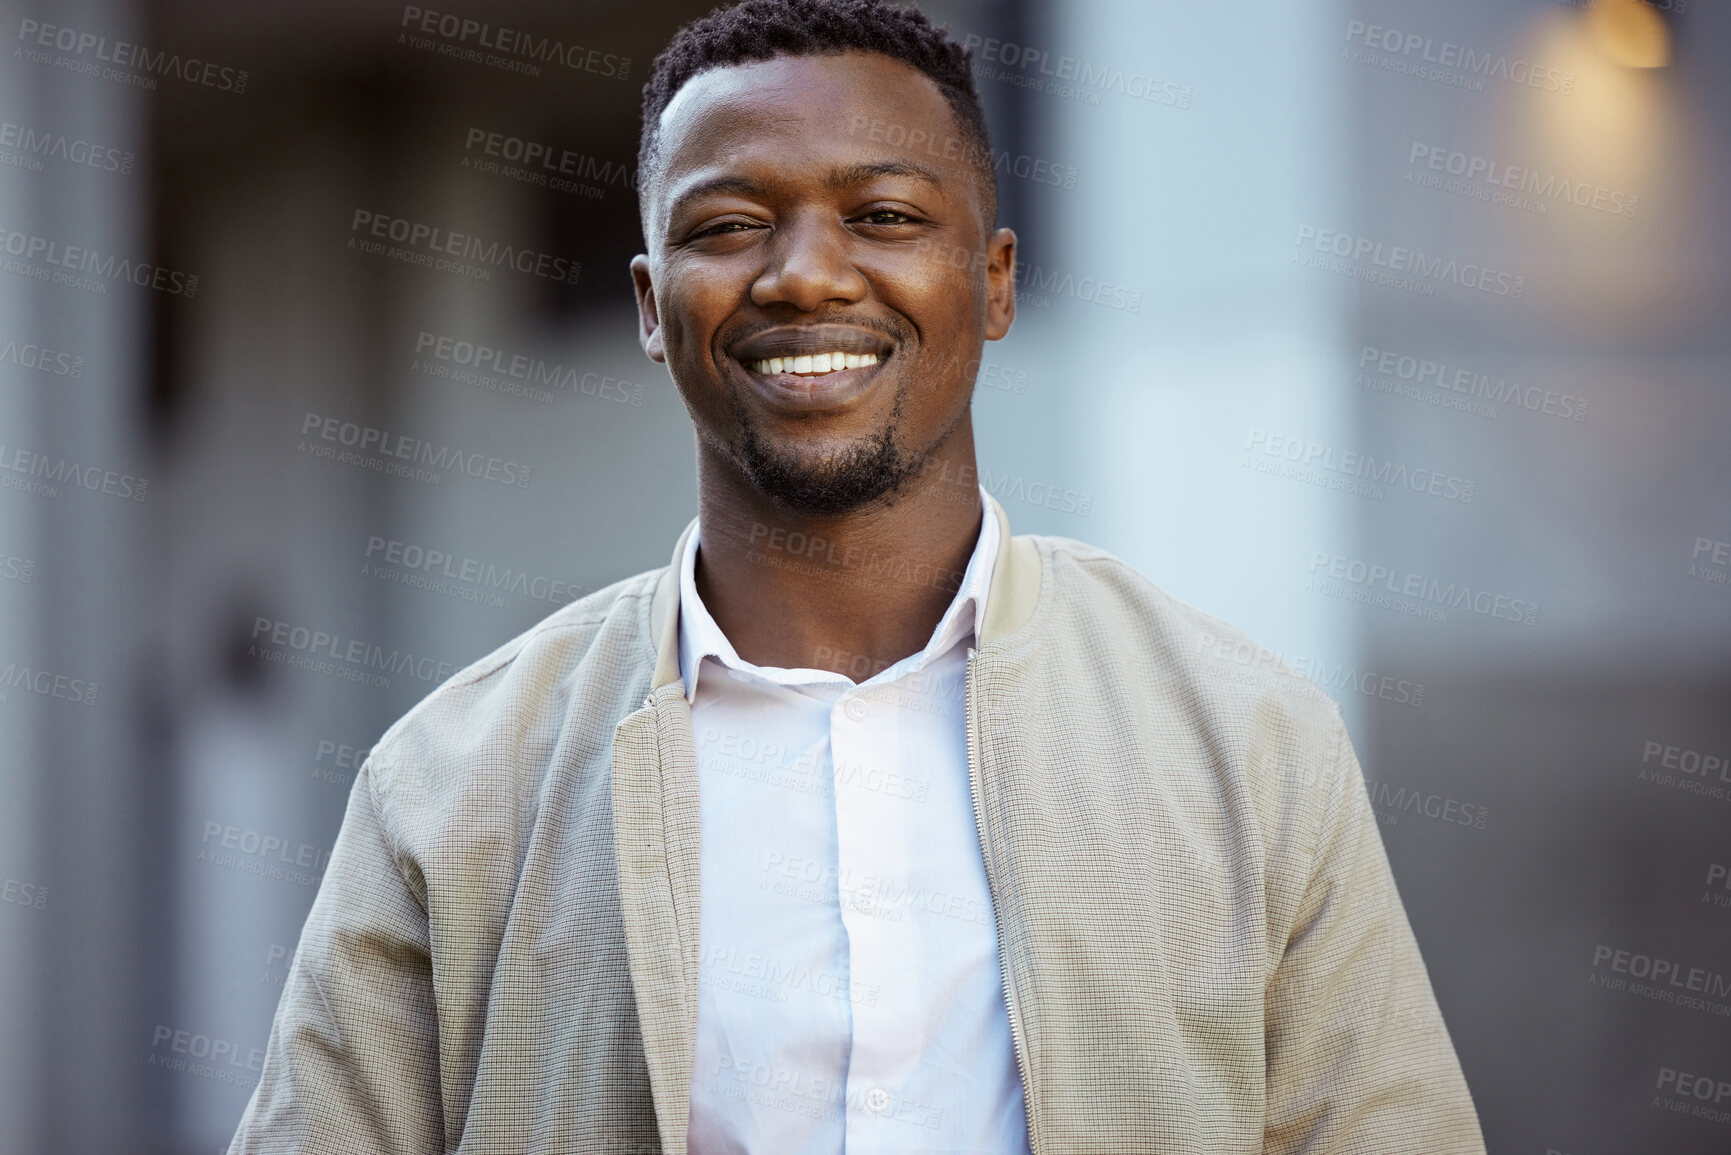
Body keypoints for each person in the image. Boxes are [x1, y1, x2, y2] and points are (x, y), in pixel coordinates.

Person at [229, 1, 1486, 1151]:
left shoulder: (1247, 741)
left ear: (991, 283)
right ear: (652, 306)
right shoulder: (451, 784)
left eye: (884, 217)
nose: (805, 276)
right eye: (727, 227)